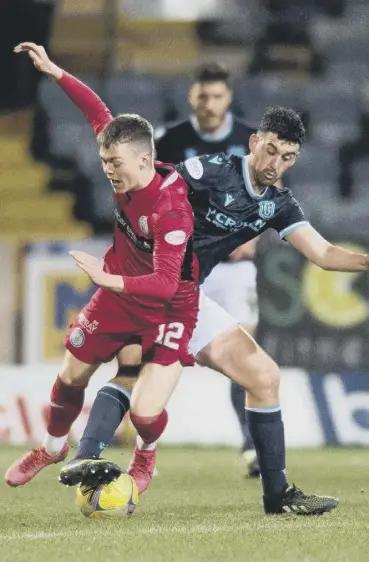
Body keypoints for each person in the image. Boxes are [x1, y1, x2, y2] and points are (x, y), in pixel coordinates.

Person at [14, 44, 369, 517]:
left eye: (287, 157)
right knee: (125, 373)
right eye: (270, 150)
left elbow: (323, 254)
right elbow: (155, 183)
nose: (276, 163)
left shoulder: (279, 204)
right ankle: (86, 455)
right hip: (148, 285)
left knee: (263, 376)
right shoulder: (210, 173)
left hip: (184, 295)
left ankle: (276, 496)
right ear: (254, 141)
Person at [5, 42, 200, 489]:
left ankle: (146, 455)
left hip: (169, 306)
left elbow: (167, 285)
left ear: (145, 160)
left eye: (114, 163)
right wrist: (56, 71)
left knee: (146, 412)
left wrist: (104, 277)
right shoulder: (123, 154)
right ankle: (53, 449)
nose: (107, 170)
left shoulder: (171, 209)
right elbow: (97, 110)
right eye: (103, 160)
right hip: (121, 291)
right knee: (69, 375)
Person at [155, 62, 260, 476]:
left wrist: (251, 234)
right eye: (202, 96)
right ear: (190, 96)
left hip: (234, 269)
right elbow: (152, 193)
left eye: (216, 96)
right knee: (160, 350)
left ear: (229, 98)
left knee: (244, 353)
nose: (209, 104)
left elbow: (270, 194)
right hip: (184, 266)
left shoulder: (251, 140)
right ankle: (146, 446)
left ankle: (252, 446)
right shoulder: (170, 140)